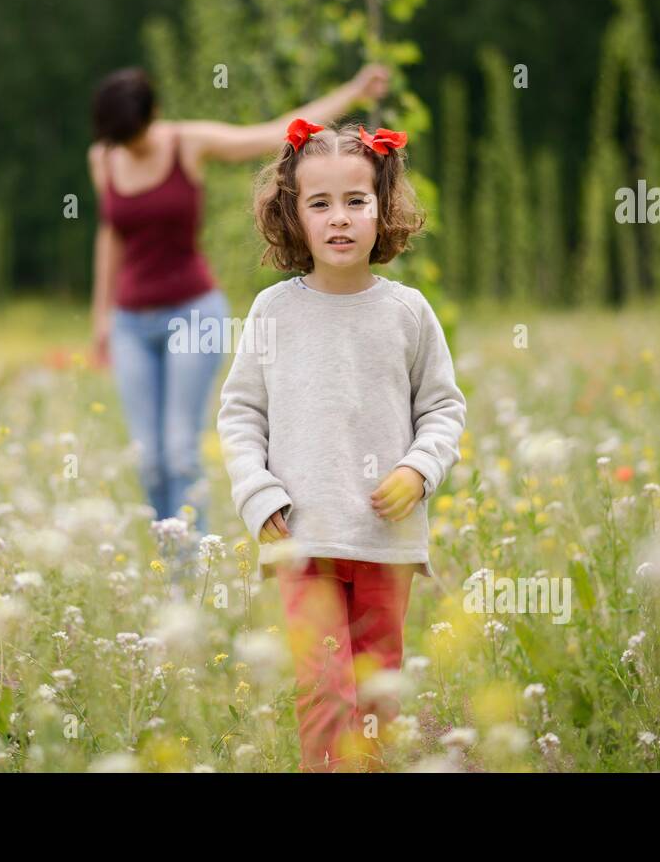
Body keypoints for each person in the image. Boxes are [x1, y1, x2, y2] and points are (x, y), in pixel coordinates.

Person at [216, 118, 467, 770]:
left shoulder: (408, 312)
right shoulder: (274, 311)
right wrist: (257, 493)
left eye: (356, 201)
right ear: (292, 215)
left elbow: (443, 408)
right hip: (303, 535)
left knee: (379, 688)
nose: (339, 218)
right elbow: (240, 412)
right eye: (319, 203)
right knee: (324, 691)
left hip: (386, 540)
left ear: (383, 208)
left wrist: (419, 467)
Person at [87, 65, 390, 579]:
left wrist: (353, 93)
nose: (132, 150)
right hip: (130, 322)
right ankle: (171, 571)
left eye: (138, 139)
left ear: (154, 116)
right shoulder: (104, 157)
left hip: (193, 312)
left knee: (182, 450)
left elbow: (273, 133)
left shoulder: (188, 144)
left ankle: (194, 577)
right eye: (123, 142)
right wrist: (101, 317)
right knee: (149, 457)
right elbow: (111, 235)